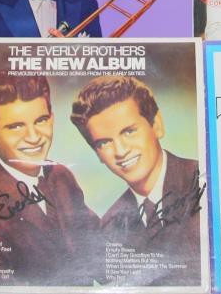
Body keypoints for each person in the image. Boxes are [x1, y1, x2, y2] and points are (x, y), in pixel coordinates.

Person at [0, 71, 100, 285]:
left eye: (41, 120)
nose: (33, 137)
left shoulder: (60, 176)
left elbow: (98, 249)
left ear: (52, 118)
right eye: (16, 126)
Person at [70, 75, 203, 286]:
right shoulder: (109, 230)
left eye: (129, 131)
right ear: (97, 154)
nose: (121, 151)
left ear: (156, 125)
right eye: (104, 143)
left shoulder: (204, 181)